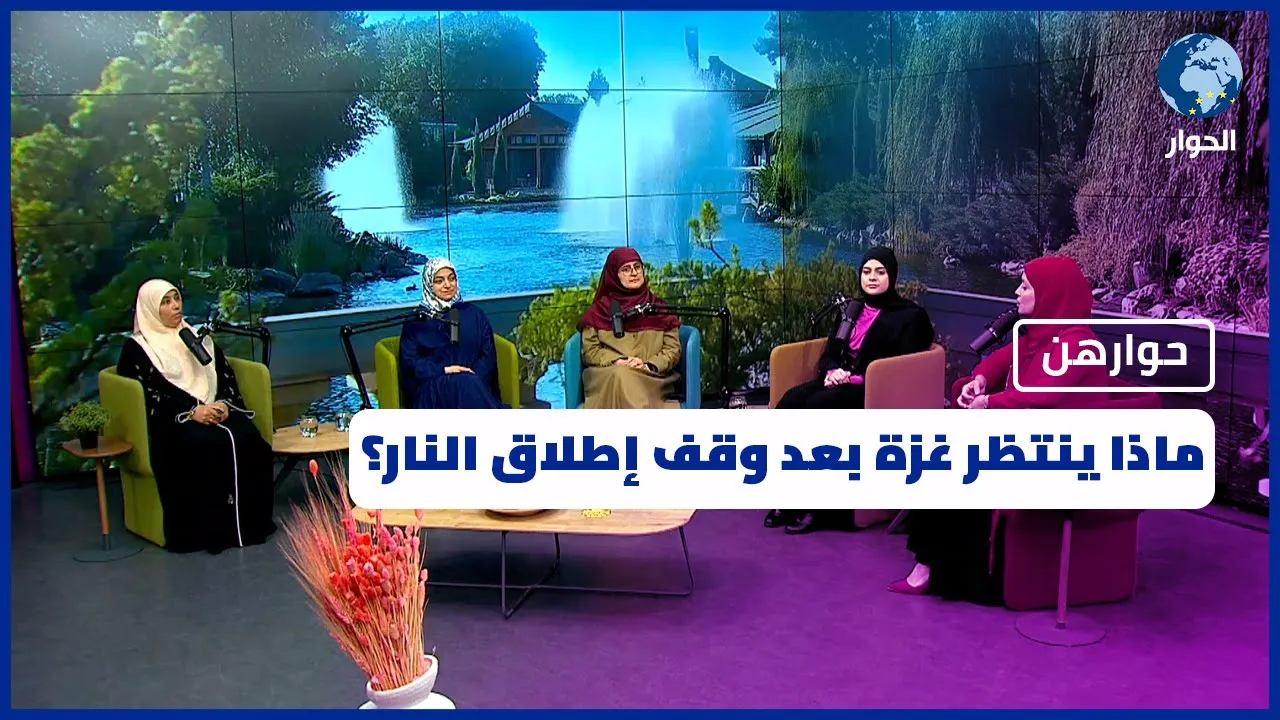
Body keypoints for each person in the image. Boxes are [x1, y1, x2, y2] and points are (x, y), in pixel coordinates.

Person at [891, 255, 1106, 603]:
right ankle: (931, 565)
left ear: (1050, 295)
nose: (1017, 292)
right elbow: (998, 362)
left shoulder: (1078, 345)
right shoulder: (1038, 335)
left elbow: (1041, 396)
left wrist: (989, 403)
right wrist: (979, 380)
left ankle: (935, 569)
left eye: (1025, 287)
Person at [768, 246, 935, 534]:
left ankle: (819, 509)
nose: (872, 278)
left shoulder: (910, 316)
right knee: (791, 402)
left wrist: (855, 378)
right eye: (866, 272)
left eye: (880, 272)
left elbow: (903, 365)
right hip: (839, 380)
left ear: (892, 276)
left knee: (817, 408)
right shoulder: (852, 309)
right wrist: (832, 371)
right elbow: (831, 351)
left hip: (874, 389)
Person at [116, 279, 276, 555]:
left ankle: (251, 525)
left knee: (249, 437)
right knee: (204, 444)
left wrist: (224, 403)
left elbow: (224, 375)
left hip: (213, 409)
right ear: (150, 309)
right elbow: (150, 395)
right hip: (174, 421)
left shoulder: (195, 337)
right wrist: (192, 411)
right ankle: (210, 533)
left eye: (176, 298)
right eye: (166, 302)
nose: (175, 306)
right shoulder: (138, 349)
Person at [577, 247, 682, 409]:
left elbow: (672, 349)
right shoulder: (599, 312)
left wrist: (648, 365)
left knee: (626, 378)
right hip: (609, 373)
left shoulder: (659, 309)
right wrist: (619, 361)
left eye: (637, 267)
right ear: (614, 275)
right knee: (622, 375)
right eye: (626, 269)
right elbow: (590, 352)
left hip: (651, 376)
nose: (634, 273)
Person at [398, 258, 508, 410]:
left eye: (451, 279)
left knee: (467, 384)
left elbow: (488, 355)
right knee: (465, 383)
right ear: (429, 284)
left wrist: (473, 377)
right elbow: (410, 364)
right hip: (434, 388)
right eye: (439, 281)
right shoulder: (416, 321)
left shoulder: (475, 314)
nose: (447, 285)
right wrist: (444, 370)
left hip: (475, 384)